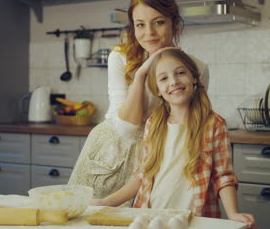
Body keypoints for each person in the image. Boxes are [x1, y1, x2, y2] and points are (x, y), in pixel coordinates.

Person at [68, 0, 209, 205]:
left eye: (158, 22)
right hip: (109, 154)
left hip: (156, 157)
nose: (149, 32)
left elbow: (190, 124)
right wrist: (143, 72)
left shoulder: (196, 68)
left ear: (174, 23)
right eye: (140, 24)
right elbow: (126, 128)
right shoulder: (120, 57)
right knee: (87, 219)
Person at [91, 49, 257, 229]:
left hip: (193, 219)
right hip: (150, 216)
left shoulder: (213, 124)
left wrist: (233, 214)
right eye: (164, 78)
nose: (174, 82)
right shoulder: (154, 123)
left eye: (180, 73)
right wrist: (106, 202)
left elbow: (223, 176)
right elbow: (142, 174)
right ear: (158, 90)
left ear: (194, 77)